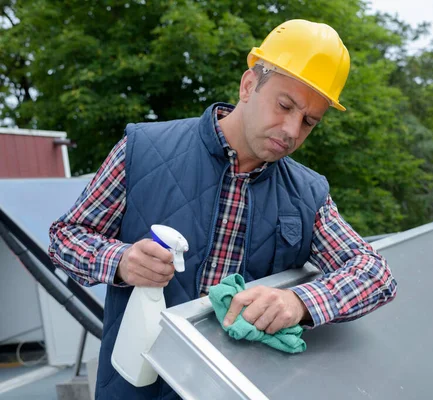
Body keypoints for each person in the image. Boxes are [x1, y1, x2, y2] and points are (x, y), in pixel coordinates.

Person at [48, 19, 397, 399]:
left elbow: (375, 274)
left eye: (309, 121)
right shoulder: (141, 150)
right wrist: (120, 260)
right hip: (137, 384)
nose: (292, 131)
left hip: (239, 390)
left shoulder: (308, 194)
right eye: (284, 105)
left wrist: (299, 301)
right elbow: (65, 239)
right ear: (249, 85)